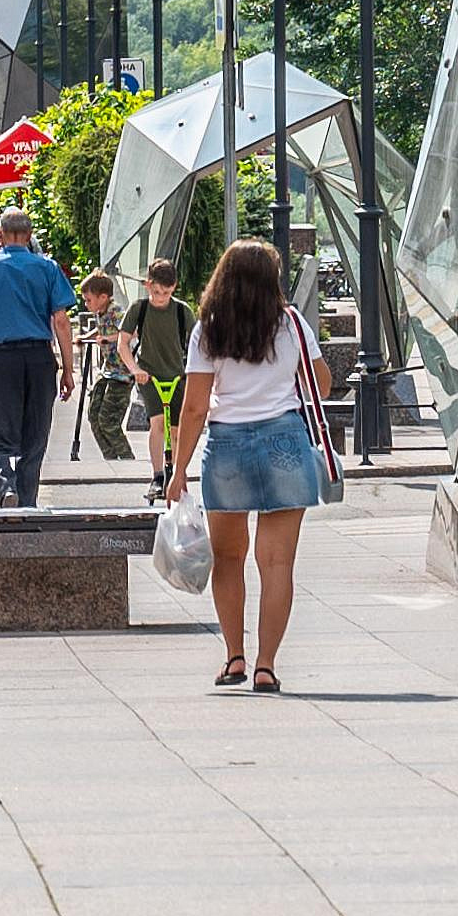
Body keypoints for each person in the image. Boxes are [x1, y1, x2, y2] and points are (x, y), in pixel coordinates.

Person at [168, 235, 331, 693]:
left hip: (228, 447)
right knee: (276, 564)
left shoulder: (208, 329)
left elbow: (196, 406)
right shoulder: (292, 324)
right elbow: (322, 382)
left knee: (228, 559)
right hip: (285, 441)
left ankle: (233, 657)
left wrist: (178, 470)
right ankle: (266, 665)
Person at [0, 206, 76, 507]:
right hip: (40, 358)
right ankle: (27, 502)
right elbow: (62, 321)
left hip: (3, 359)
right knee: (35, 438)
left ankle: (6, 487)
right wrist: (68, 368)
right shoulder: (48, 268)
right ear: (29, 235)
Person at [128, 256, 197, 501]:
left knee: (177, 430)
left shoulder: (181, 310)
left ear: (174, 288)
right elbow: (122, 344)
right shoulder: (140, 308)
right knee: (158, 423)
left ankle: (178, 475)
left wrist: (195, 370)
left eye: (166, 293)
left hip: (177, 376)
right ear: (148, 285)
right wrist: (135, 369)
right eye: (156, 291)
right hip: (150, 375)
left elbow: (199, 342)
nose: (160, 297)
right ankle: (157, 476)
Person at [77, 268, 136, 462]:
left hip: (122, 372)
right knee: (94, 416)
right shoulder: (100, 312)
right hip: (108, 371)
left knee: (108, 420)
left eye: (89, 300)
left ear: (103, 297)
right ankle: (110, 458)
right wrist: (85, 337)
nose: (87, 304)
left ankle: (127, 459)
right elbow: (99, 329)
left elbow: (130, 333)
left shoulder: (116, 311)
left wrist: (107, 339)